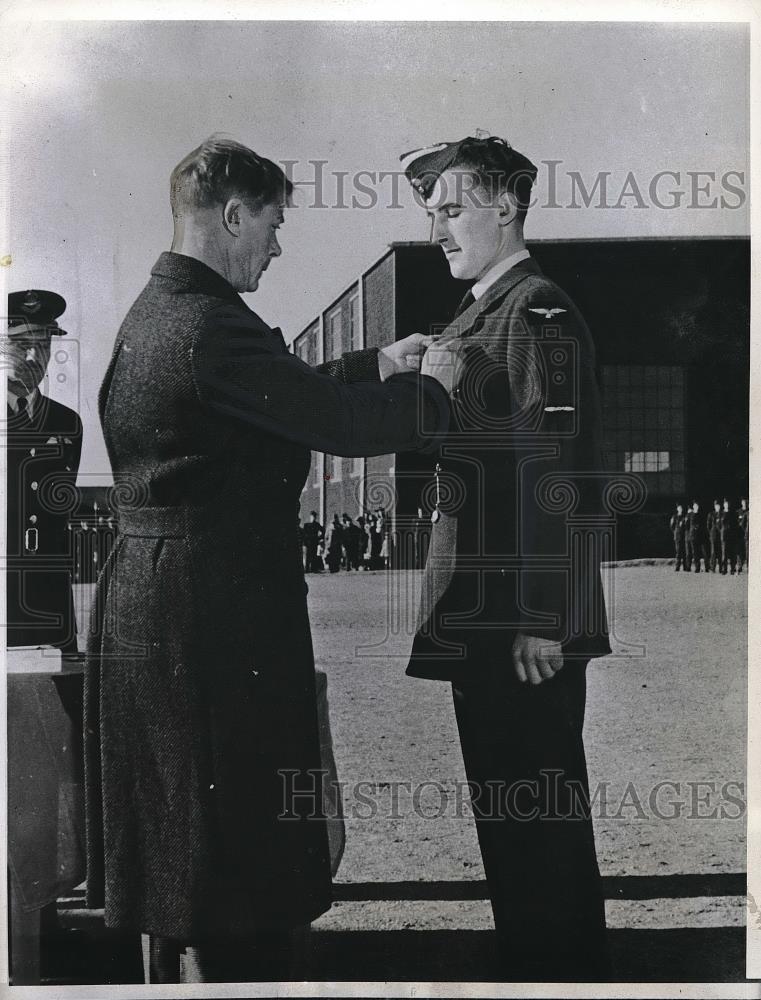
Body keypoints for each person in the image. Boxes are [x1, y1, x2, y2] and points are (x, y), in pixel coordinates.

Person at [84, 136, 448, 984]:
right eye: (273, 226)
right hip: (213, 621)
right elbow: (339, 425)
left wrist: (368, 362)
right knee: (230, 865)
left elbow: (263, 392)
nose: (278, 246)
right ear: (233, 215)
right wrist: (431, 389)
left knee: (180, 852)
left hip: (159, 604)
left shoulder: (161, 313)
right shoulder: (211, 326)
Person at [402, 134, 611, 980]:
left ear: (506, 206)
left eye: (451, 210)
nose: (438, 230)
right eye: (431, 215)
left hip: (519, 632)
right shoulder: (483, 310)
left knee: (539, 836)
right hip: (485, 625)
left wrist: (543, 620)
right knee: (515, 830)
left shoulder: (535, 310)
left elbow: (557, 472)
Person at [4, 290, 82, 654]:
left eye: (44, 344)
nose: (35, 356)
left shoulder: (68, 423)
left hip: (51, 606)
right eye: (22, 345)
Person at [686, 500, 709, 572]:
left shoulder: (702, 514)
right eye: (695, 506)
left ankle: (707, 567)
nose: (696, 507)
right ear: (693, 506)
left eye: (697, 506)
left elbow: (705, 524)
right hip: (693, 536)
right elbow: (687, 525)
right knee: (695, 553)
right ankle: (697, 567)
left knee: (705, 552)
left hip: (701, 536)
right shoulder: (690, 515)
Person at [720, 498, 738, 575]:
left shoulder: (733, 513)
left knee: (732, 553)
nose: (726, 505)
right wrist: (721, 531)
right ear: (724, 505)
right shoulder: (721, 513)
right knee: (724, 554)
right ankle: (724, 569)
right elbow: (719, 524)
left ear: (729, 505)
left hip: (731, 536)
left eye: (727, 504)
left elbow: (735, 524)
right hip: (724, 536)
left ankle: (732, 569)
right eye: (725, 504)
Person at [669, 503, 688, 572]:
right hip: (677, 536)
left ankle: (685, 567)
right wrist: (676, 532)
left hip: (684, 536)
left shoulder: (685, 516)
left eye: (681, 508)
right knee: (678, 552)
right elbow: (671, 526)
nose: (680, 509)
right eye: (679, 508)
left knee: (685, 552)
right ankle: (677, 566)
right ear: (677, 509)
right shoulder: (674, 516)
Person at [707, 499, 722, 573]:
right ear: (714, 506)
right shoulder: (711, 514)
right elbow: (708, 525)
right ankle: (713, 567)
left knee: (720, 552)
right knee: (713, 552)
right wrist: (711, 532)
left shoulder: (722, 514)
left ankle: (721, 568)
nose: (717, 507)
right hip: (713, 535)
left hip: (720, 535)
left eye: (718, 506)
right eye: (716, 506)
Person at [737, 498, 749, 572]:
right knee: (740, 551)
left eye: (746, 503)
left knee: (747, 551)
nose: (744, 504)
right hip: (740, 535)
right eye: (743, 502)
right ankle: (740, 566)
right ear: (741, 503)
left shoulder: (749, 512)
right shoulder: (738, 512)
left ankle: (748, 566)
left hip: (747, 534)